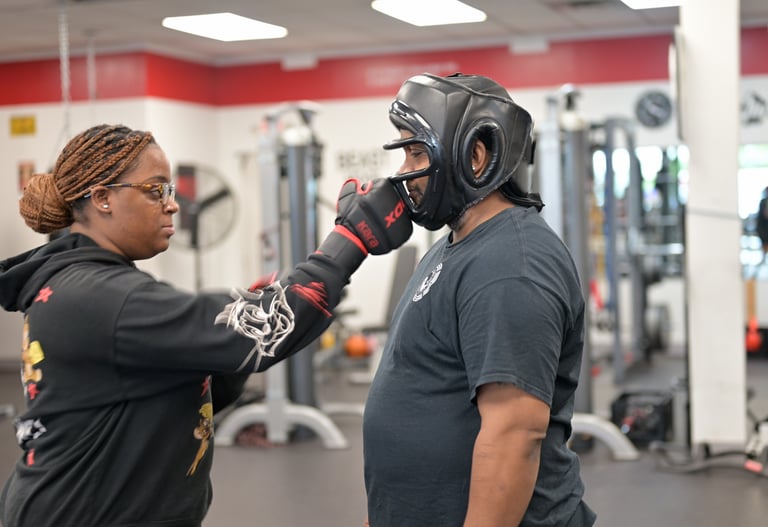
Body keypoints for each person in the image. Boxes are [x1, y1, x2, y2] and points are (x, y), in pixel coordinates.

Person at [0, 123, 412, 527]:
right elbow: (267, 327)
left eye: (170, 189)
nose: (173, 203)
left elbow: (168, 386)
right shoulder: (101, 295)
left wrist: (217, 347)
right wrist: (351, 240)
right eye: (155, 189)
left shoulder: (86, 285)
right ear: (103, 198)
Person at [362, 73, 596, 526]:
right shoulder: (460, 243)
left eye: (416, 151)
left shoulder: (510, 263)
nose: (405, 171)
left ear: (475, 155)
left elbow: (515, 432)